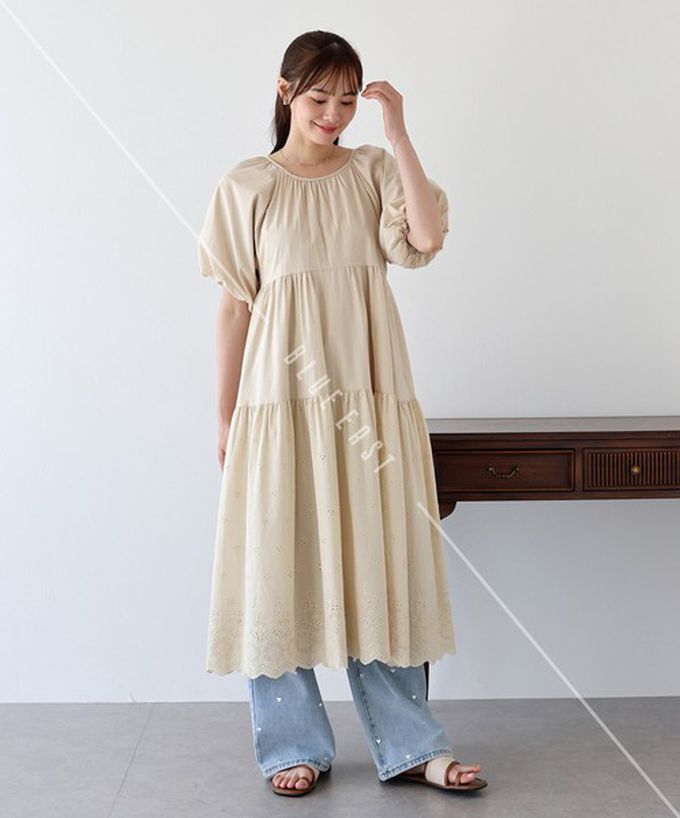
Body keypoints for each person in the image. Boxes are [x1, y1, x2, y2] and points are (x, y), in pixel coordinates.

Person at [197, 30, 487, 796]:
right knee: (276, 564)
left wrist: (398, 133)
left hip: (369, 396)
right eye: (320, 97)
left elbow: (425, 237)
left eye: (349, 100)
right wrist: (225, 416)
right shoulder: (247, 186)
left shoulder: (372, 170)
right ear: (286, 91)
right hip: (279, 402)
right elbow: (233, 307)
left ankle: (412, 745)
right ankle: (292, 745)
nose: (334, 114)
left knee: (380, 562)